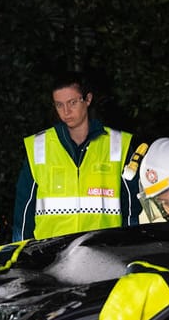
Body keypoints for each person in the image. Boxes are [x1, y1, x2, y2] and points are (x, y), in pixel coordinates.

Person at [12, 71, 141, 241]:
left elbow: (132, 208)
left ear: (88, 99)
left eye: (72, 102)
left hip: (104, 253)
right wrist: (22, 257)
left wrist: (129, 250)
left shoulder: (118, 144)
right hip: (52, 257)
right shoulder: (38, 146)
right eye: (59, 105)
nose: (66, 111)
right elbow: (23, 213)